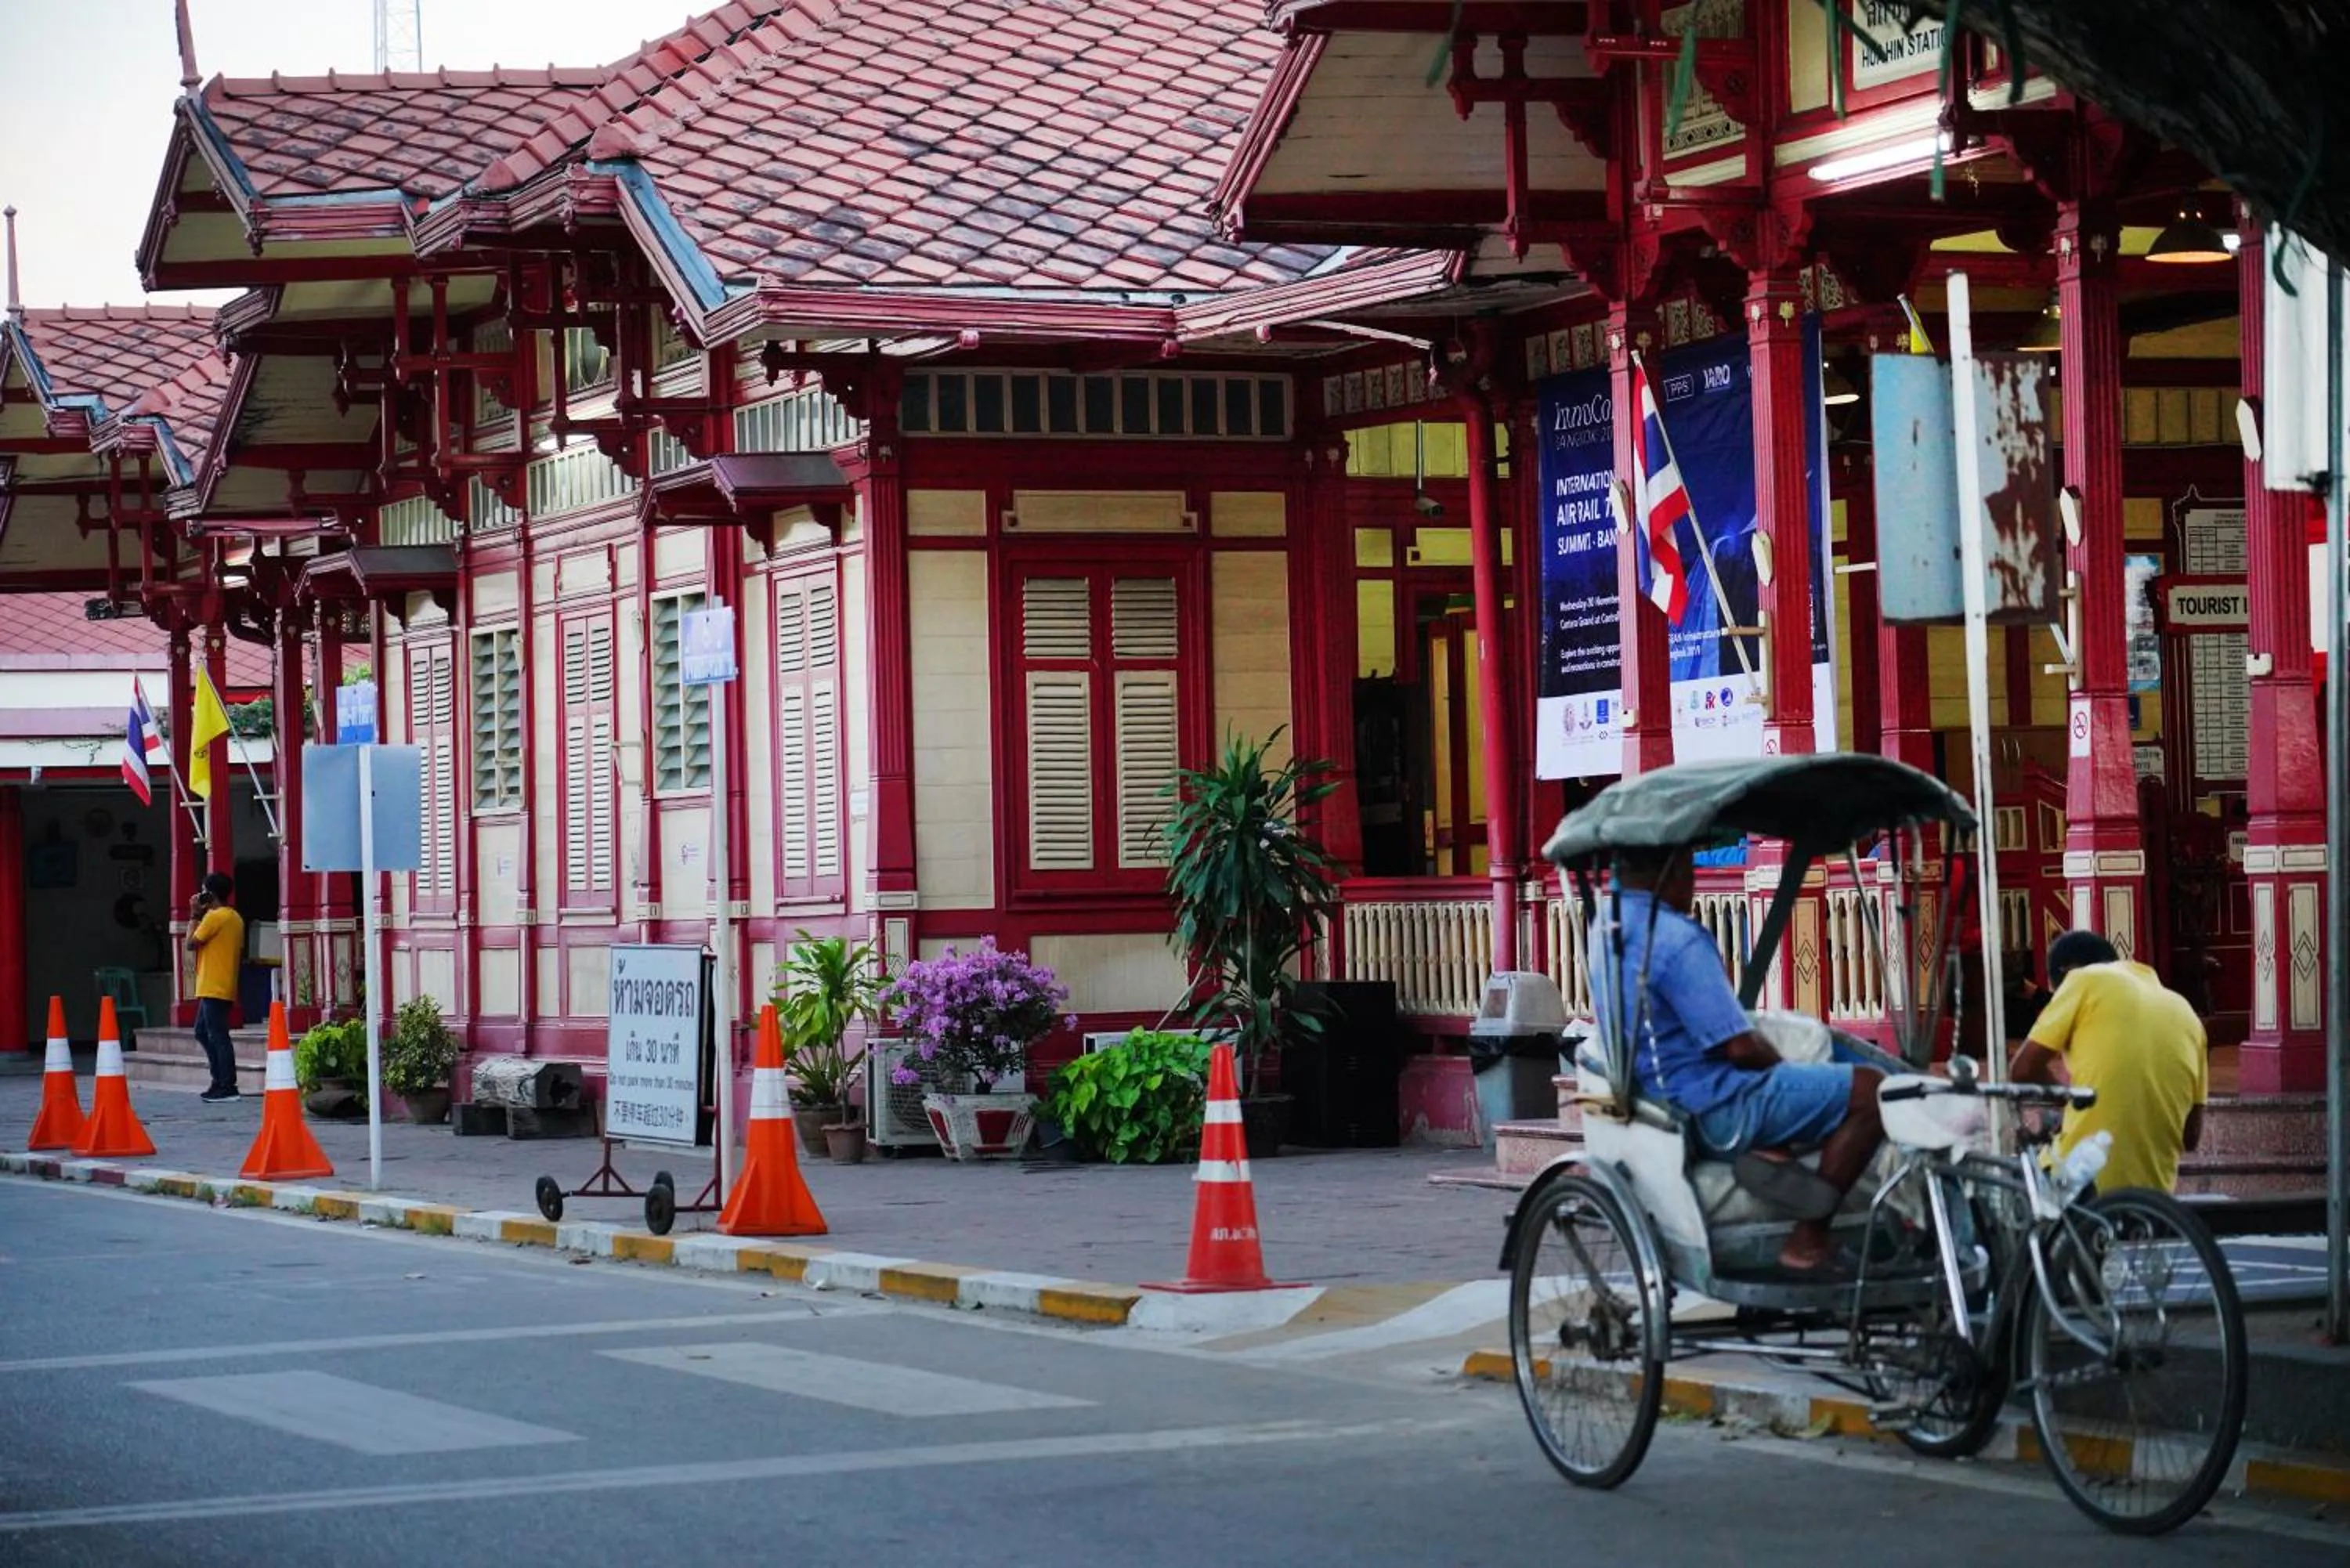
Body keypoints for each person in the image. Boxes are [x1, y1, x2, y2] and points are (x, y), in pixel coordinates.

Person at [1590, 846, 1887, 1274]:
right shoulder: (1675, 938)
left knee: (1809, 1089)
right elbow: (1740, 1047)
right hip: (1712, 1107)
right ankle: (1808, 1238)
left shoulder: (1607, 924)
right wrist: (1784, 1071)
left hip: (1655, 1097)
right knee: (1870, 1089)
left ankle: (1774, 1150)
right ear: (1673, 872)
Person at [2008, 930, 2207, 1193]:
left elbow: (2022, 1070)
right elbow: (2190, 1137)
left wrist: (2070, 1099)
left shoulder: (2082, 979)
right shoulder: (2187, 1013)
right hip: (2155, 1199)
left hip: (2082, 1184)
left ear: (2066, 973)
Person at [187, 872, 246, 1104]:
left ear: (209, 894)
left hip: (213, 984)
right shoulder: (234, 917)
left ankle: (227, 1085)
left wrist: (194, 915)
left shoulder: (214, 917)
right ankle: (219, 1080)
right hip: (222, 983)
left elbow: (191, 944)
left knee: (218, 1036)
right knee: (202, 1032)